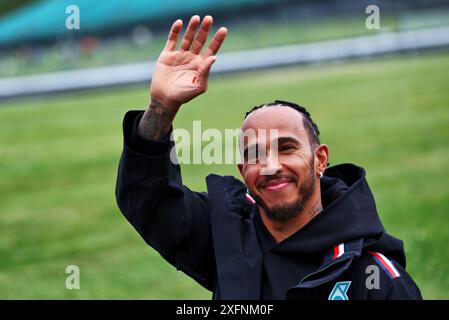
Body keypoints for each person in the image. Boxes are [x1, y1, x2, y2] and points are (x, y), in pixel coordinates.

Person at [115, 16, 422, 300]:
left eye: (286, 148)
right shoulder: (225, 235)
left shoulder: (375, 276)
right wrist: (161, 108)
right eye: (255, 154)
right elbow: (148, 199)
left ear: (320, 159)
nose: (271, 166)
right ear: (242, 170)